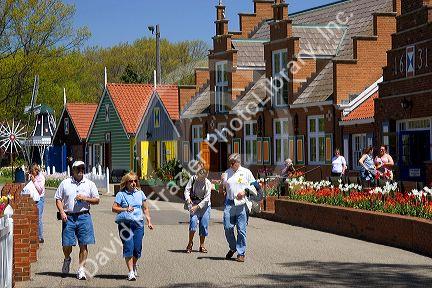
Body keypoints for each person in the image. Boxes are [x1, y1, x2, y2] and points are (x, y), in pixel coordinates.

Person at [55, 161, 100, 280]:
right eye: (78, 168)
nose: (81, 170)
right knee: (67, 244)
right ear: (73, 169)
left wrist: (85, 198)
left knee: (83, 244)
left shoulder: (89, 184)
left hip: (84, 216)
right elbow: (58, 199)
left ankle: (81, 270)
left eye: (82, 168)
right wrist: (62, 212)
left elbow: (97, 200)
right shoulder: (65, 183)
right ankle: (67, 258)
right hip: (68, 217)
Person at [112, 172, 154, 281]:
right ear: (126, 183)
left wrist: (149, 221)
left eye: (135, 181)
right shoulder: (121, 194)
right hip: (125, 224)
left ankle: (134, 264)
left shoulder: (140, 193)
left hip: (138, 224)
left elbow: (145, 208)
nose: (133, 183)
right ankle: (130, 272)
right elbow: (114, 208)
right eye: (131, 181)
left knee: (137, 249)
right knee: (128, 247)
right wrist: (125, 209)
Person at [220, 153, 257, 263]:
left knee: (241, 230)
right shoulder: (227, 173)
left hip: (241, 204)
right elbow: (221, 191)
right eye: (230, 163)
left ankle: (241, 253)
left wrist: (245, 192)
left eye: (233, 163)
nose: (231, 165)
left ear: (238, 162)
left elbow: (254, 186)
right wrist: (222, 182)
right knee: (227, 227)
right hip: (229, 204)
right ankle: (233, 247)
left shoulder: (246, 172)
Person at [184, 163, 211, 254]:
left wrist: (198, 206)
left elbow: (207, 198)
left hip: (204, 206)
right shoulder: (193, 179)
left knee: (203, 225)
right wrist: (188, 199)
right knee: (193, 223)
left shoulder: (207, 182)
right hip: (194, 203)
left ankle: (202, 245)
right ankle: (190, 243)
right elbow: (187, 190)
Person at [29, 163, 46, 243]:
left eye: (33, 172)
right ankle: (32, 235)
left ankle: (40, 236)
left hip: (39, 199)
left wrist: (34, 181)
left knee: (38, 217)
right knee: (32, 217)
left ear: (36, 171)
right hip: (32, 198)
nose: (32, 174)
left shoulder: (41, 177)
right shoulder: (32, 176)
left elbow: (40, 190)